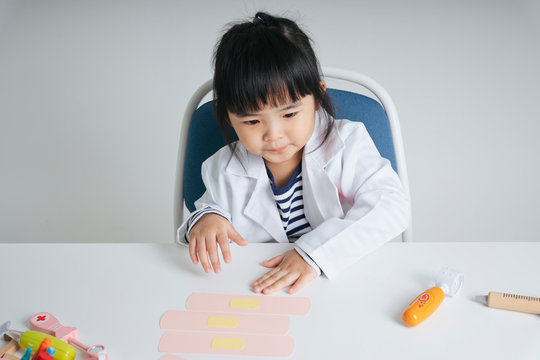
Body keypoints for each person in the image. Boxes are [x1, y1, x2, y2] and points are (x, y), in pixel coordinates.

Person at [177, 12, 409, 295]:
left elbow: (391, 207)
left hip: (339, 281)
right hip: (261, 288)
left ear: (317, 98)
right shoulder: (223, 168)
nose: (273, 135)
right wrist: (204, 221)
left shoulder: (347, 143)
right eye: (252, 121)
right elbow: (209, 209)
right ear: (227, 116)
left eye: (289, 113)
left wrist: (313, 254)